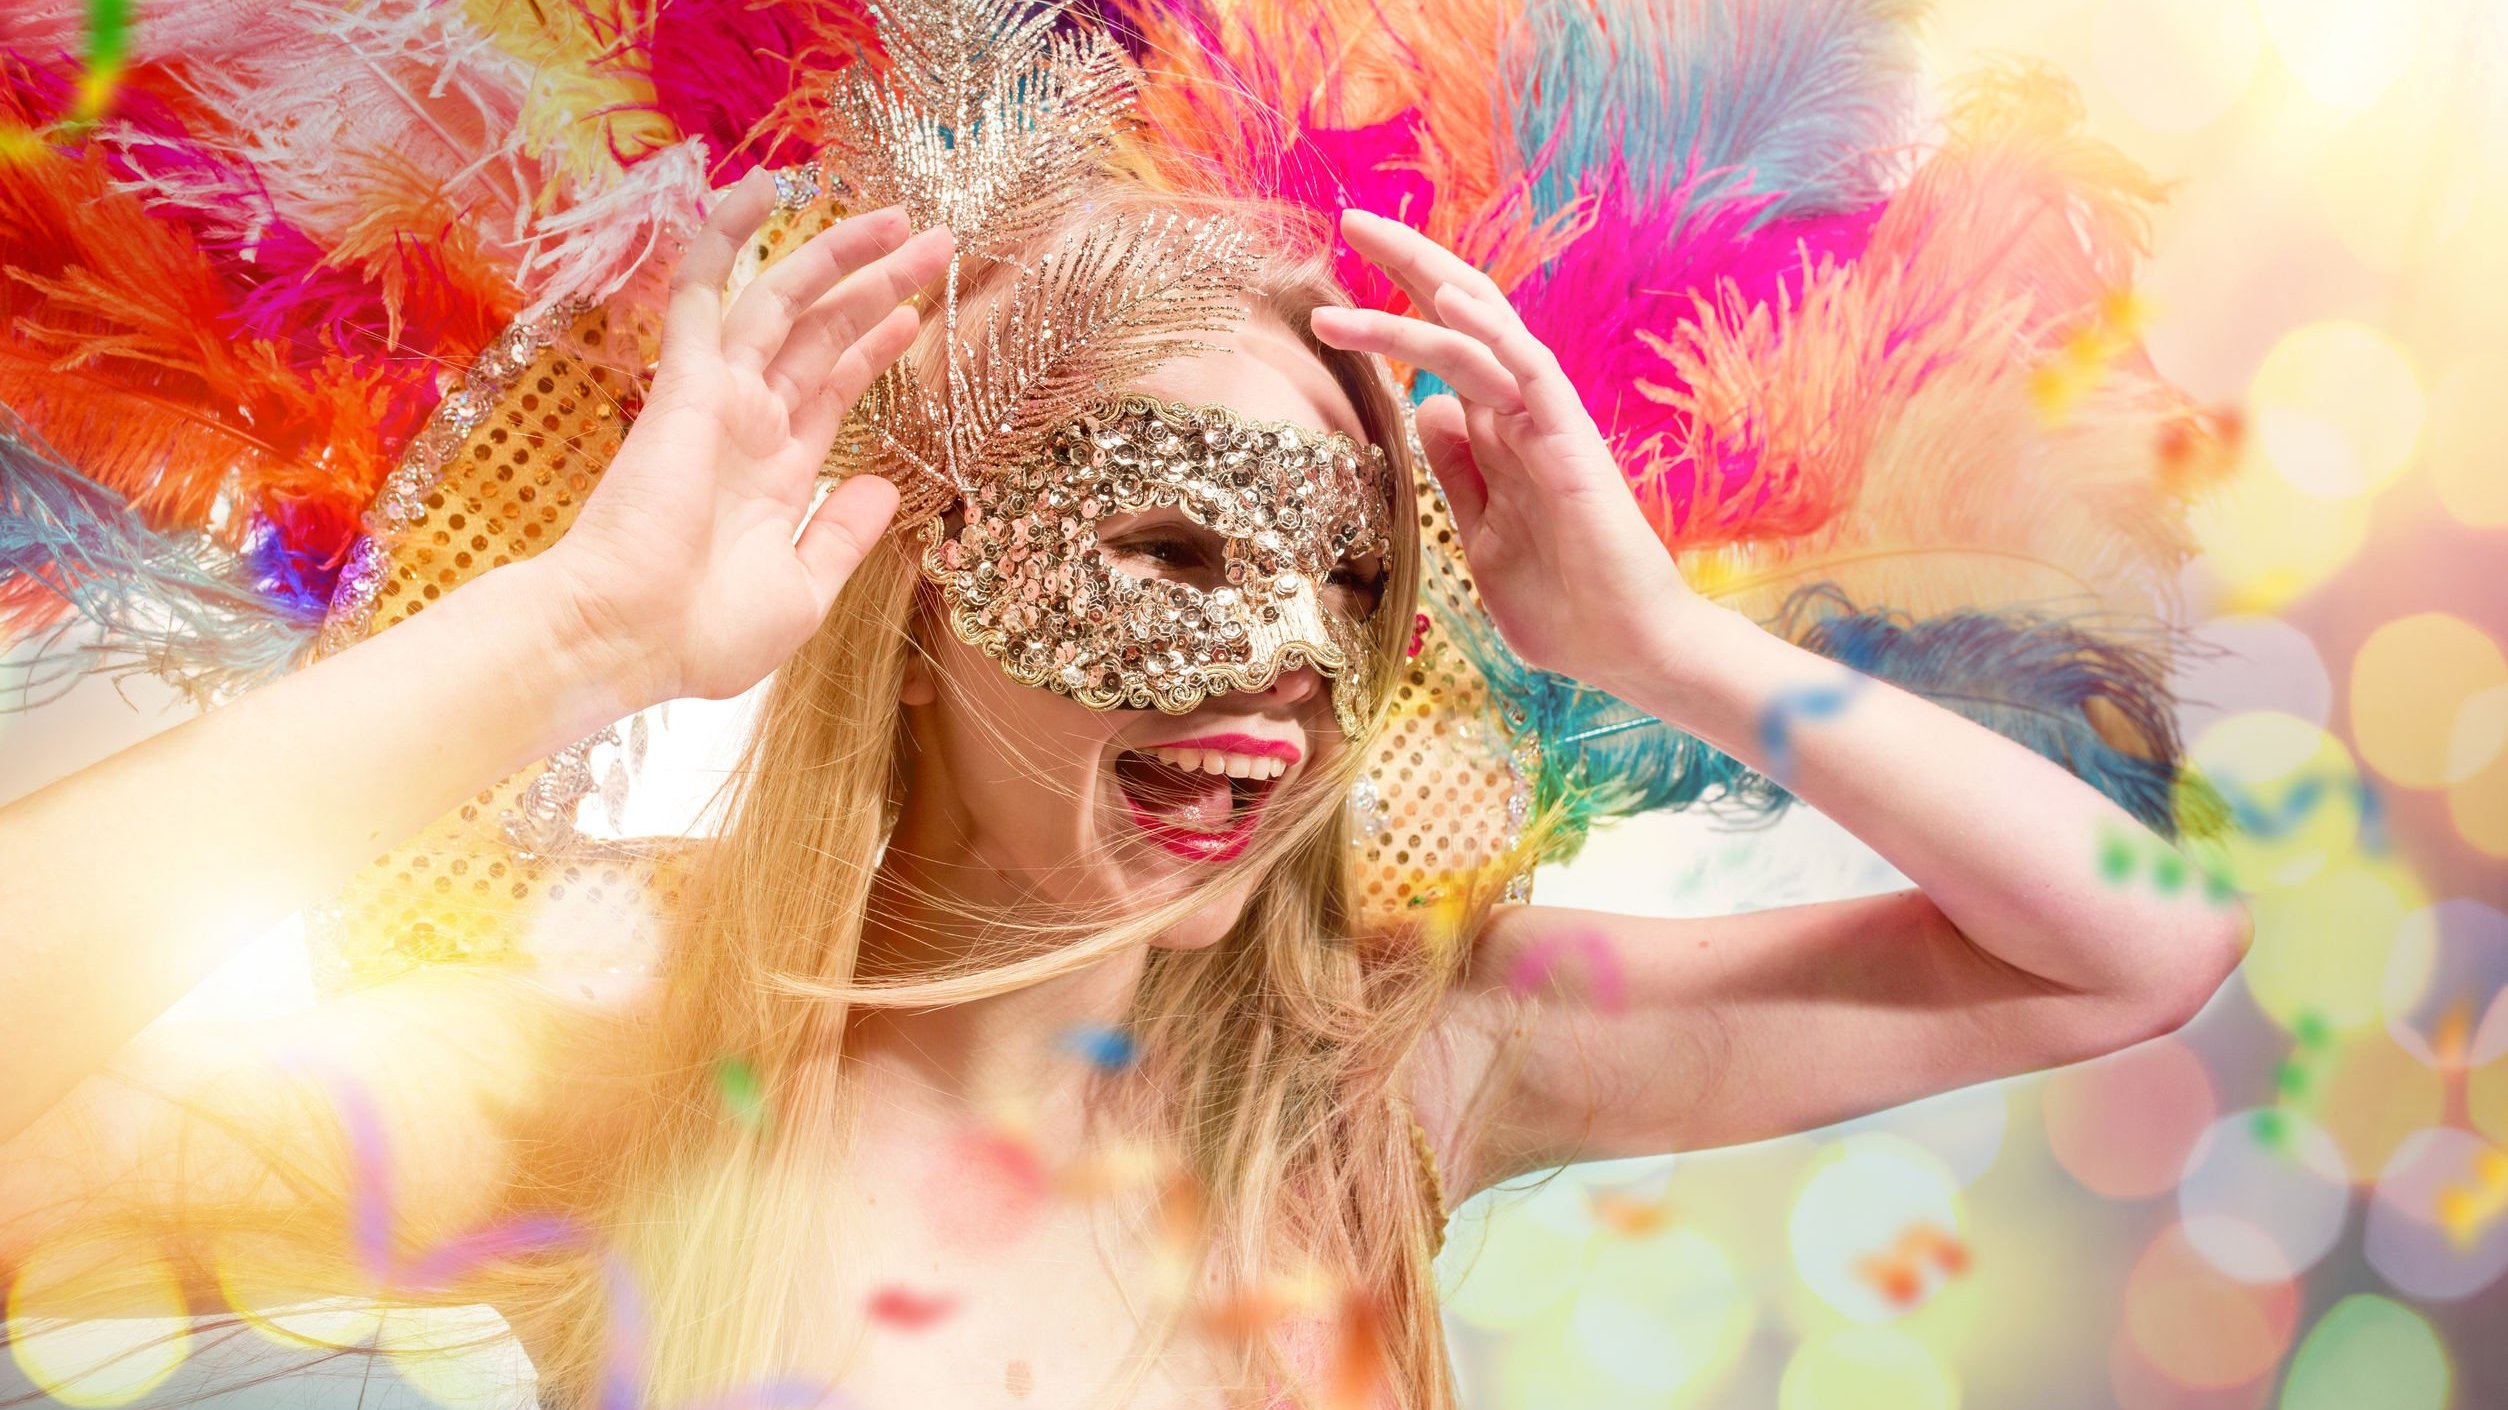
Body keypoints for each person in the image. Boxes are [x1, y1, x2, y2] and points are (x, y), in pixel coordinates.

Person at [0, 3, 2249, 1407]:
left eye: (1353, 578)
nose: (1280, 655)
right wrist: (580, 640)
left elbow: (2146, 938)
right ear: (929, 573)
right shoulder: (602, 1096)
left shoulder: (1406, 1074)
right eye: (1175, 550)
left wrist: (1665, 646)